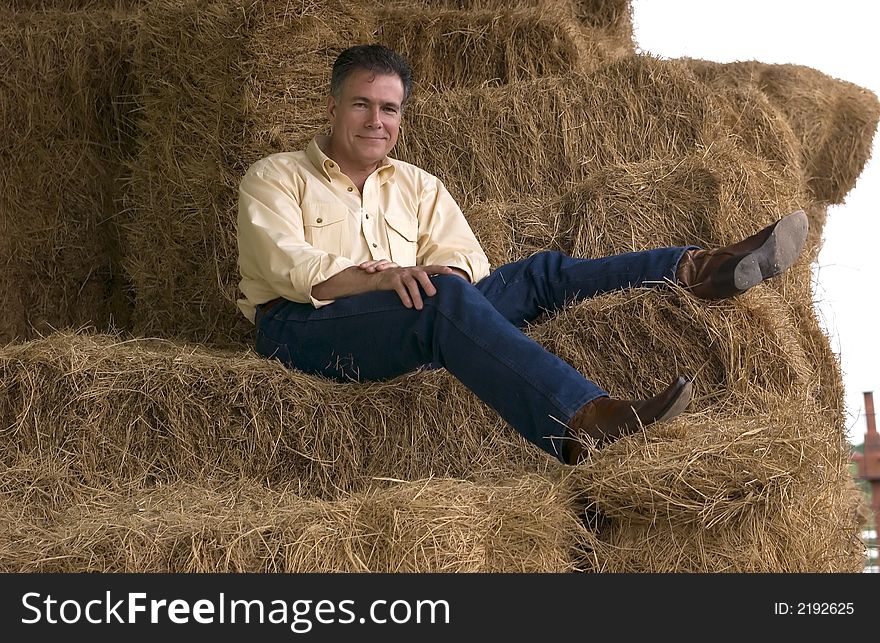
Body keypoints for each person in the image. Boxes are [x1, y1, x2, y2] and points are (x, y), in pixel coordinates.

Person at [236, 44, 808, 465]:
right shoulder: (275, 177)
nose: (376, 121)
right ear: (333, 105)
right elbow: (289, 267)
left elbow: (465, 262)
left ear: (402, 116)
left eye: (389, 109)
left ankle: (696, 270)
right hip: (302, 328)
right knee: (445, 304)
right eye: (362, 104)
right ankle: (583, 421)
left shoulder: (417, 184)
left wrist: (438, 277)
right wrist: (386, 280)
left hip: (402, 314)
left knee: (539, 273)